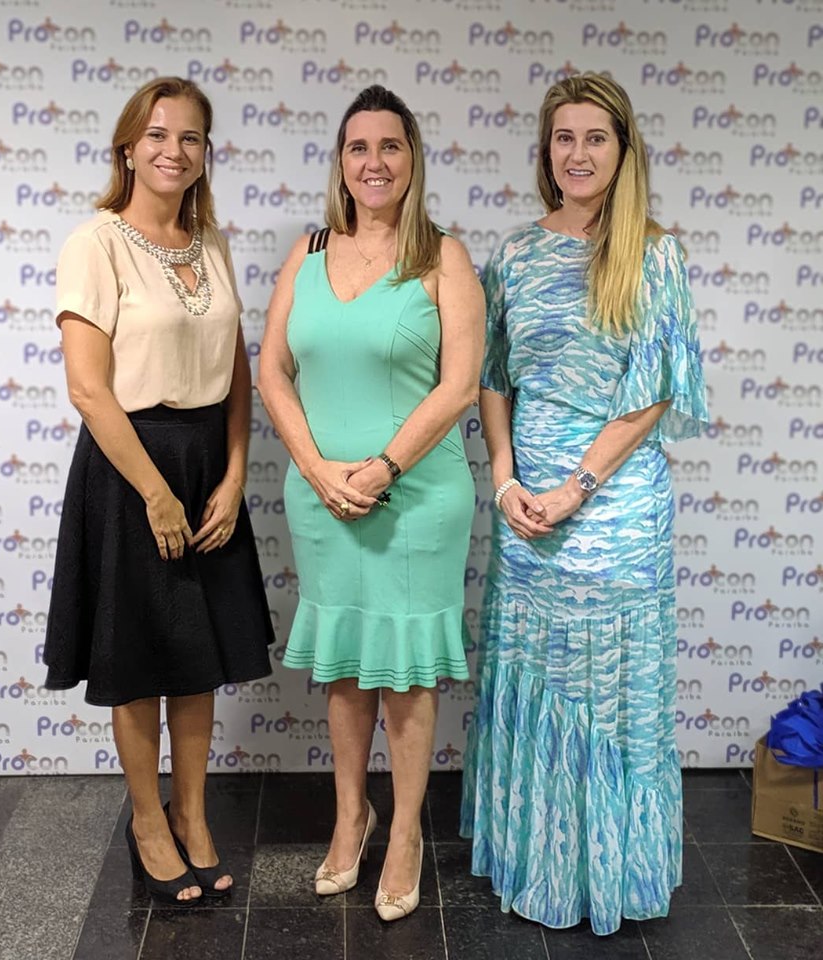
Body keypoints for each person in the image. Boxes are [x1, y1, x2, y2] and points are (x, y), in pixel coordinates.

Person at [460, 73, 709, 936]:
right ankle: (539, 864)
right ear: (545, 151)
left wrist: (576, 488)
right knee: (533, 686)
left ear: (622, 148)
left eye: (594, 137)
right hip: (526, 508)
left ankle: (611, 875)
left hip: (614, 508)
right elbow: (492, 376)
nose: (577, 153)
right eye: (562, 137)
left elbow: (653, 392)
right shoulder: (513, 254)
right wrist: (504, 480)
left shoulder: (654, 254)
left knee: (611, 699)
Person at [42, 77, 275, 905]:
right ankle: (147, 821)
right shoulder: (95, 242)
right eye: (157, 134)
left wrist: (235, 474)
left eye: (190, 137)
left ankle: (192, 815)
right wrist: (154, 492)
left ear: (206, 153)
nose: (173, 150)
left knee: (196, 654)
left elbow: (237, 373)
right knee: (139, 655)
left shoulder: (210, 242)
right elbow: (88, 388)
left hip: (207, 460)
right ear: (128, 147)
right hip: (129, 466)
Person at [258, 84, 484, 921]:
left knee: (407, 672)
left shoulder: (443, 257)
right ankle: (351, 816)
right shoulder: (308, 251)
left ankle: (406, 833)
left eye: (390, 146)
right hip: (321, 497)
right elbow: (271, 370)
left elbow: (459, 385)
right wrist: (317, 469)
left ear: (412, 159)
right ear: (341, 162)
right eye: (359, 147)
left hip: (415, 497)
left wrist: (383, 468)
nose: (374, 162)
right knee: (347, 664)